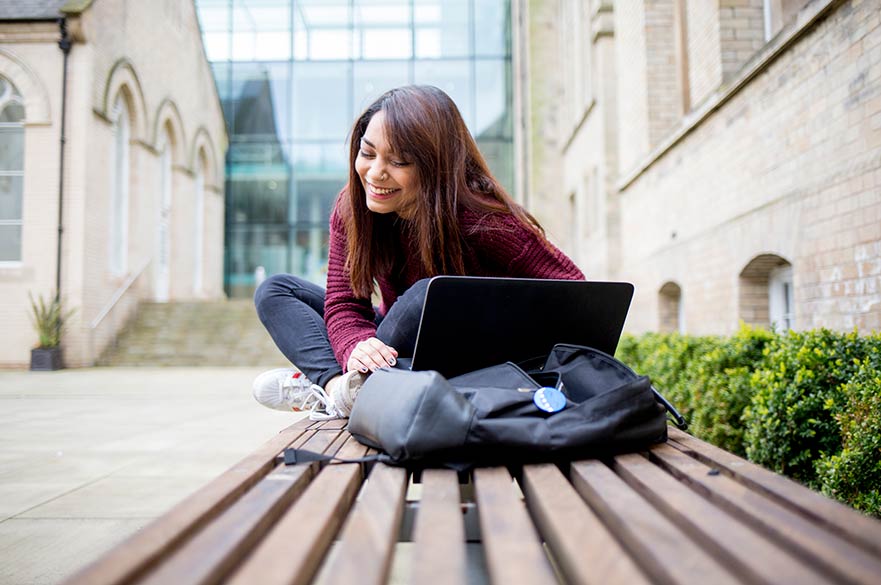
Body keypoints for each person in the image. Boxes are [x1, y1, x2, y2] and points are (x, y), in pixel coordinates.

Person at [252, 85, 584, 419]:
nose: (376, 172)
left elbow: (577, 292)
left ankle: (354, 387)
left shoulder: (485, 221)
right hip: (395, 339)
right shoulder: (350, 209)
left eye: (398, 162)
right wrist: (357, 345)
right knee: (275, 290)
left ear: (434, 166)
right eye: (368, 153)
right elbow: (345, 303)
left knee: (430, 294)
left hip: (464, 354)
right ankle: (340, 388)